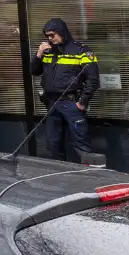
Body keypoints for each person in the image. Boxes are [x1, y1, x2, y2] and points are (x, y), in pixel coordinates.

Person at [32, 18, 99, 162]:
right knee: (53, 144)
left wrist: (82, 102)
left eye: (52, 35)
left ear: (62, 32)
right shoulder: (48, 51)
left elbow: (93, 80)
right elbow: (34, 71)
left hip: (72, 103)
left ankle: (91, 176)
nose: (50, 39)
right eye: (47, 36)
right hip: (52, 103)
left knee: (82, 145)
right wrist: (38, 54)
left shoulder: (81, 50)